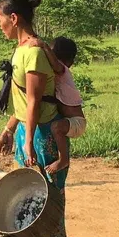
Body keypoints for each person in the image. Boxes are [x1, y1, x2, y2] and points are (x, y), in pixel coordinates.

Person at [0, 0, 69, 237]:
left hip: (43, 133)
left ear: (13, 19)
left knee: (51, 191)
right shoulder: (21, 50)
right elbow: (23, 99)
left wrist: (28, 142)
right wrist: (9, 129)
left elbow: (37, 101)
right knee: (26, 191)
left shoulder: (34, 52)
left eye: (1, 20)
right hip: (28, 130)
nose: (0, 26)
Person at [30, 37, 86, 175]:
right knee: (56, 126)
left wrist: (44, 46)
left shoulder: (63, 71)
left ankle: (63, 160)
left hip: (77, 123)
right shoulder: (55, 74)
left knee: (56, 127)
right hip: (72, 121)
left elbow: (56, 65)